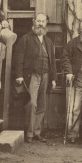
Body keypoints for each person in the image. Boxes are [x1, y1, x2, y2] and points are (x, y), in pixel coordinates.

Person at [14, 13, 57, 143]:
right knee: (32, 103)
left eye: (43, 21)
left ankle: (37, 132)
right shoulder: (25, 39)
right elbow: (18, 59)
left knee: (42, 104)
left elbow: (52, 61)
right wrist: (19, 75)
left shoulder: (48, 41)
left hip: (45, 75)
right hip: (32, 75)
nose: (40, 24)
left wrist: (53, 78)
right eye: (38, 21)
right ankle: (29, 133)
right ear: (34, 22)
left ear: (46, 23)